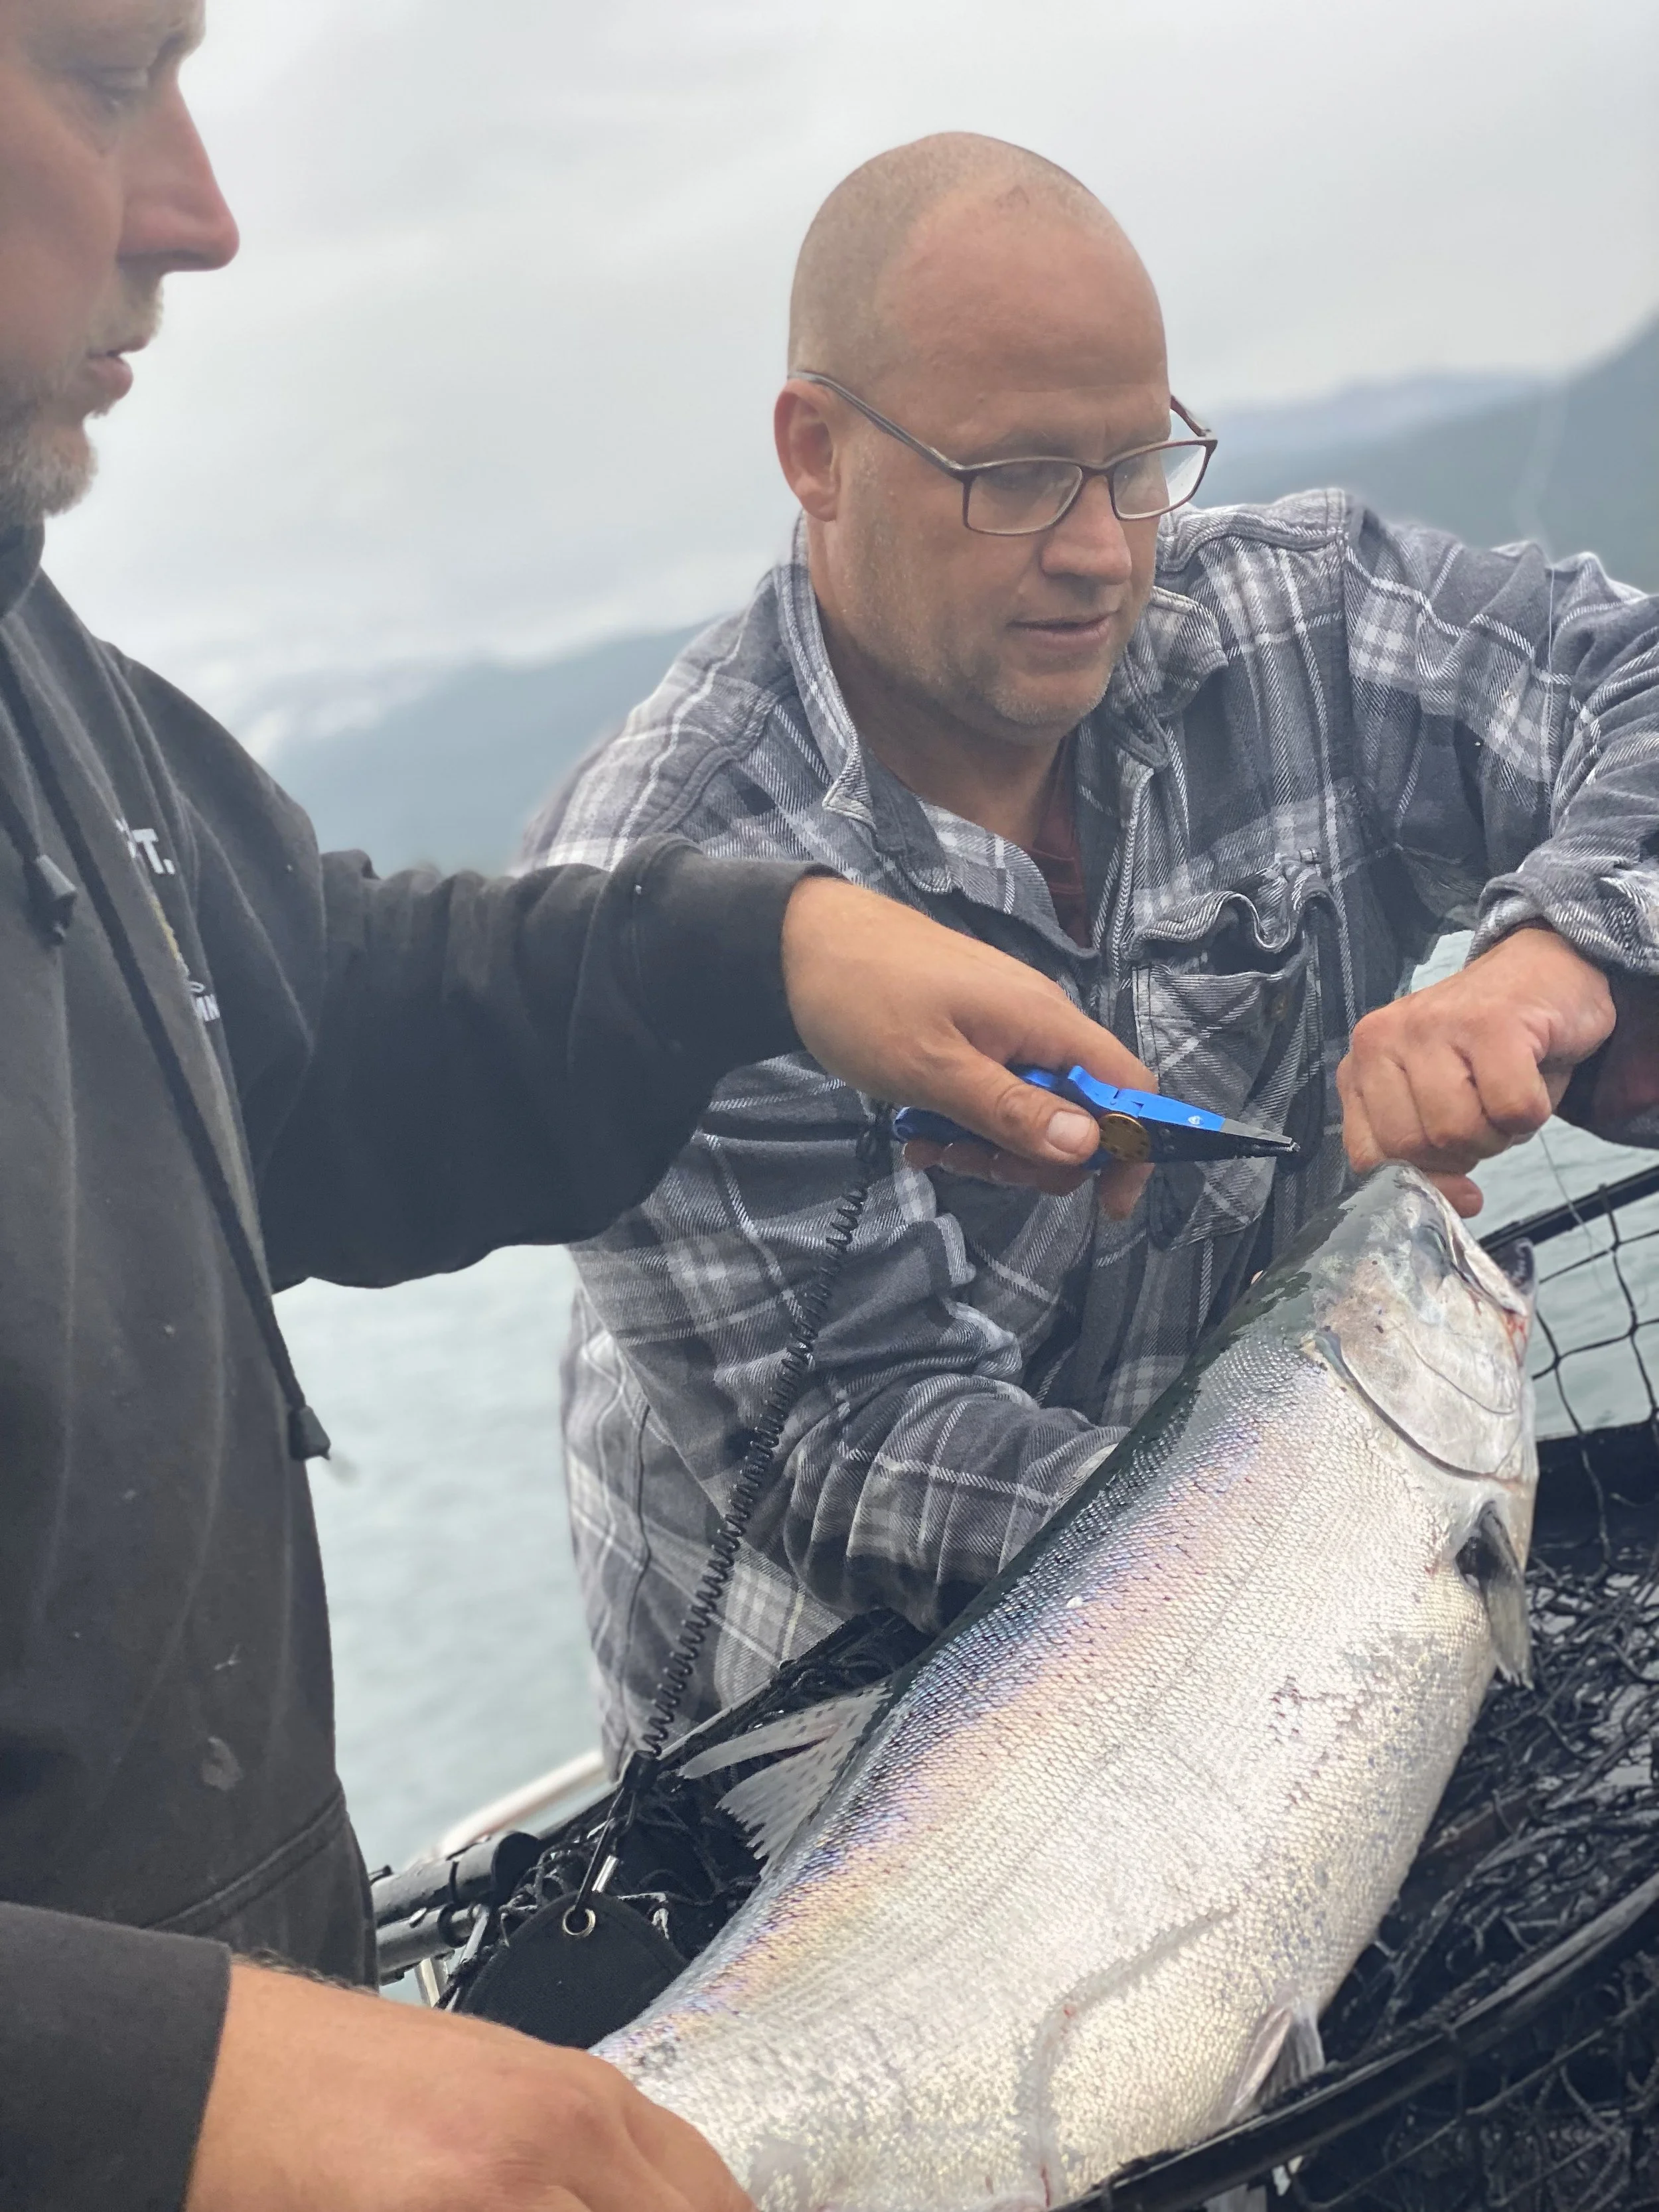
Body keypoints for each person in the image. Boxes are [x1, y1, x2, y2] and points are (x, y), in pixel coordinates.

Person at [0, 19, 1163, 2211]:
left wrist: (773, 955)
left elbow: (321, 1038)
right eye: (95, 76)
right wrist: (151, 2078)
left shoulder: (35, 679)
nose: (204, 210)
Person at [524, 131, 1659, 1768]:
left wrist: (1554, 956)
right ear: (815, 451)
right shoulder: (651, 909)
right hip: (844, 1763)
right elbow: (857, 1449)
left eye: (1137, 462)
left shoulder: (1293, 623)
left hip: (1284, 1590)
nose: (1102, 549)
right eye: (1018, 477)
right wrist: (1342, 1509)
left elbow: (1623, 676)